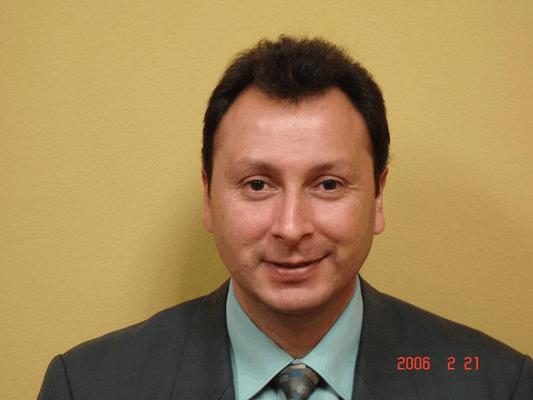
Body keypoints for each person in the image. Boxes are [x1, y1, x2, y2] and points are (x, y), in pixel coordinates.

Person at [38, 36, 532, 400]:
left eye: (328, 184)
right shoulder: (87, 385)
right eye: (258, 185)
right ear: (208, 197)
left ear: (379, 196)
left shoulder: (498, 384)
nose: (292, 228)